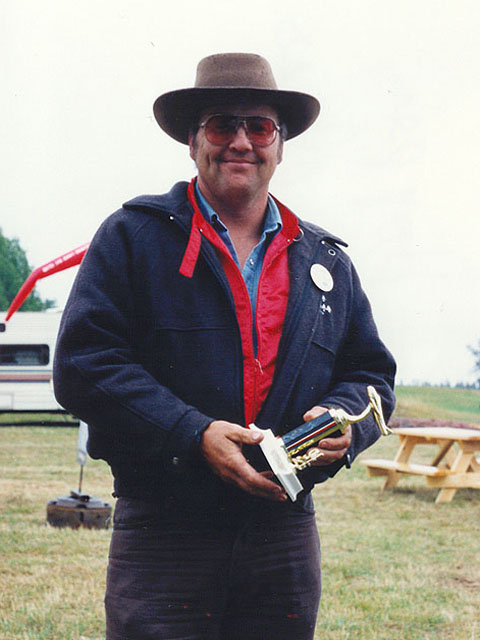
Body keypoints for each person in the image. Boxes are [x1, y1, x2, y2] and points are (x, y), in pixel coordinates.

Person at [53, 53, 396, 640]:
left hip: (282, 539)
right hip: (165, 535)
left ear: (280, 145)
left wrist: (347, 424)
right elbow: (85, 365)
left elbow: (371, 378)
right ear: (193, 141)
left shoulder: (327, 261)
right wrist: (194, 432)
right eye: (221, 125)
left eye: (258, 127)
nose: (241, 141)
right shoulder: (133, 236)